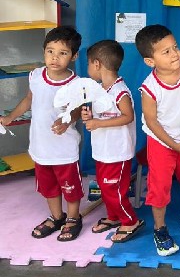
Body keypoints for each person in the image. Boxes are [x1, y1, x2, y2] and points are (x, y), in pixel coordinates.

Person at [0, 26, 85, 242]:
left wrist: (66, 120)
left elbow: (77, 110)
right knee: (49, 187)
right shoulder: (36, 75)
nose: (55, 58)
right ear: (44, 52)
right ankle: (57, 217)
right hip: (41, 147)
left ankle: (73, 219)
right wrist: (10, 117)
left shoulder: (75, 84)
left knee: (70, 188)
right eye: (50, 51)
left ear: (74, 56)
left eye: (63, 53)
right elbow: (29, 99)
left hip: (64, 150)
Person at [135, 24, 180, 257]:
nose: (175, 53)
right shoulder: (149, 88)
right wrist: (175, 145)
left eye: (175, 47)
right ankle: (160, 229)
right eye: (166, 51)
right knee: (159, 187)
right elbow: (152, 122)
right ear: (150, 61)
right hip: (162, 141)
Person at [82, 40, 144, 243]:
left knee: (113, 189)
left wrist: (98, 123)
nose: (88, 68)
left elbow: (128, 116)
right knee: (105, 186)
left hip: (117, 152)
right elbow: (103, 114)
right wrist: (90, 116)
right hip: (103, 150)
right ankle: (113, 216)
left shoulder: (120, 91)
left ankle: (130, 221)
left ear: (97, 64)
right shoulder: (101, 89)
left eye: (89, 63)